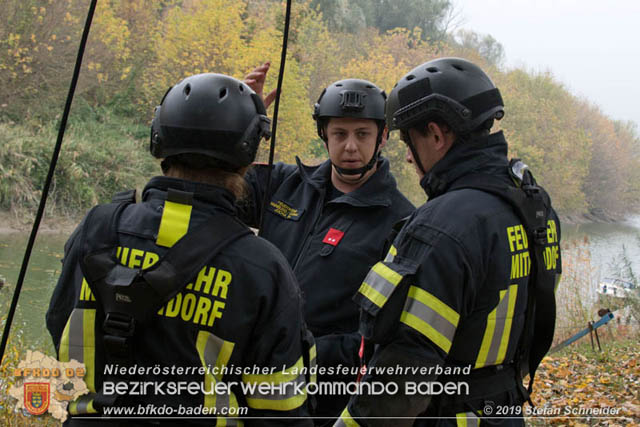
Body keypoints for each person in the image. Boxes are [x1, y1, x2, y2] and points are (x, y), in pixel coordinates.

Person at [46, 73, 315, 426]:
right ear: (247, 156)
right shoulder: (262, 268)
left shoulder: (97, 230)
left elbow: (57, 322)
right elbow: (282, 411)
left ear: (158, 139)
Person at [335, 57, 562, 426]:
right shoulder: (534, 205)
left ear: (437, 136)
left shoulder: (442, 225)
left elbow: (403, 373)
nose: (408, 156)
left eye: (410, 140)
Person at [243, 63, 415, 423]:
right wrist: (243, 121)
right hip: (250, 385)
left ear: (382, 137)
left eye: (362, 134)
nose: (350, 147)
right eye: (339, 133)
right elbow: (214, 186)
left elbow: (385, 340)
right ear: (323, 134)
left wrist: (303, 352)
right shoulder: (285, 184)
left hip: (324, 401)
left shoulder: (400, 222)